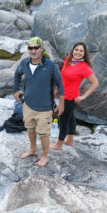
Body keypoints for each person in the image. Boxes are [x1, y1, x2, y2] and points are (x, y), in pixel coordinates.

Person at [14, 37, 64, 167]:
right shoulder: (24, 63)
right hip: (28, 105)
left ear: (41, 48)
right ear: (28, 50)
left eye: (36, 48)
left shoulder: (51, 65)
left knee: (43, 134)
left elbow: (60, 83)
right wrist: (16, 90)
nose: (33, 51)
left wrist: (61, 104)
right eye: (30, 48)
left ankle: (45, 156)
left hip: (45, 108)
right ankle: (33, 149)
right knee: (30, 129)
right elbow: (17, 74)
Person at [49, 42, 99, 150]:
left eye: (81, 51)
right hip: (63, 94)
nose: (78, 52)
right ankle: (70, 140)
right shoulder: (68, 59)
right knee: (71, 117)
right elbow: (63, 76)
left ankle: (59, 144)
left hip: (70, 97)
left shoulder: (84, 67)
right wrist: (58, 89)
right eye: (76, 49)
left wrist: (83, 97)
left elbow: (95, 83)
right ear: (73, 50)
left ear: (84, 54)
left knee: (64, 120)